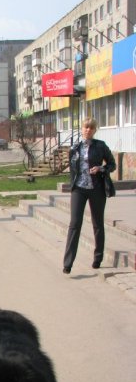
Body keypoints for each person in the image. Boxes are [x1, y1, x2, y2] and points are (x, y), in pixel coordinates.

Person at [62, 117, 116, 274]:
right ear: (82, 129)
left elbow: (112, 164)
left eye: (91, 128)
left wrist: (101, 168)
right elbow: (73, 170)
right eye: (86, 127)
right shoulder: (75, 148)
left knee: (97, 223)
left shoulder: (100, 146)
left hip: (96, 189)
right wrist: (73, 184)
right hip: (79, 189)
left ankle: (98, 258)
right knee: (74, 223)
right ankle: (68, 263)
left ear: (94, 130)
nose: (88, 130)